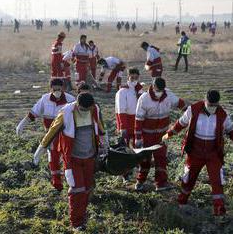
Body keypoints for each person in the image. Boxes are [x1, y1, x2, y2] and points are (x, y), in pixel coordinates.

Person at [33, 93, 105, 230]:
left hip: (89, 157)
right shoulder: (66, 112)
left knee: (88, 188)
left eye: (88, 109)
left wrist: (104, 143)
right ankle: (76, 223)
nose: (86, 112)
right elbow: (52, 131)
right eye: (83, 110)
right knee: (77, 190)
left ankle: (82, 217)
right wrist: (41, 149)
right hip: (73, 159)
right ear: (77, 105)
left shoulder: (94, 109)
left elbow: (100, 127)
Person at [162, 90, 233, 216]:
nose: (212, 108)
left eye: (214, 105)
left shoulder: (222, 114)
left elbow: (230, 130)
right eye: (210, 105)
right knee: (189, 177)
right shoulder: (193, 110)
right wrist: (169, 134)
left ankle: (219, 210)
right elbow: (181, 123)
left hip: (213, 153)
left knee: (217, 180)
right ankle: (182, 202)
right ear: (205, 101)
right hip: (195, 150)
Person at [16, 79, 75, 191]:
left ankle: (71, 182)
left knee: (68, 157)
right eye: (54, 89)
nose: (57, 91)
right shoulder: (45, 99)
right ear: (50, 88)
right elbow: (33, 113)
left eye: (59, 89)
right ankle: (57, 183)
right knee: (53, 157)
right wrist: (22, 124)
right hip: (50, 134)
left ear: (63, 88)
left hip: (65, 134)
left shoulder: (70, 99)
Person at [134, 78, 187, 191]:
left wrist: (189, 112)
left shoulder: (168, 95)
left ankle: (161, 183)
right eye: (157, 90)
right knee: (145, 159)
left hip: (162, 135)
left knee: (161, 158)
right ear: (152, 87)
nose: (159, 92)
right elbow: (138, 120)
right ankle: (140, 182)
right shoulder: (144, 99)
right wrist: (138, 138)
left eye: (161, 90)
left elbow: (180, 103)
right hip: (147, 134)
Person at [115, 69, 143, 148]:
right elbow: (121, 110)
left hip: (137, 120)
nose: (134, 79)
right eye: (132, 77)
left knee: (137, 143)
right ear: (128, 77)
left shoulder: (139, 90)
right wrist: (123, 127)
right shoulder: (122, 91)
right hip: (126, 119)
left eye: (136, 77)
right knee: (125, 144)